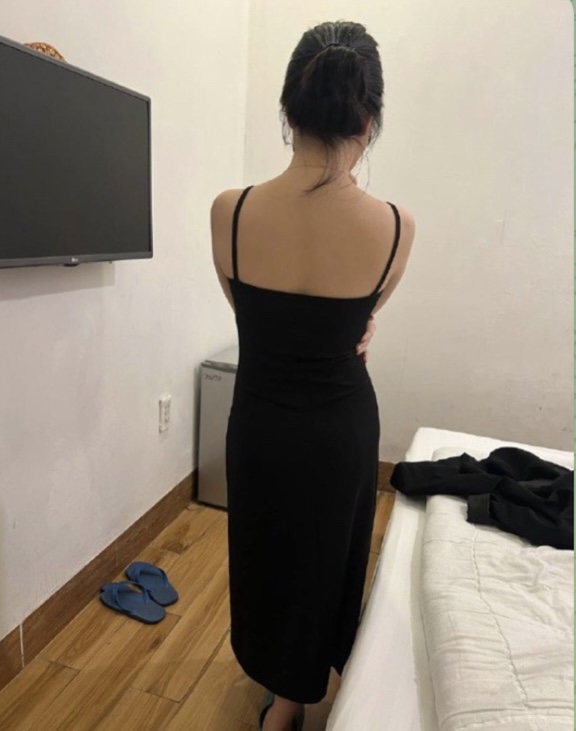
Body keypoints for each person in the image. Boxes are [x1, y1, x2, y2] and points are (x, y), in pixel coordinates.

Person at [211, 20, 415, 731]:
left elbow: (250, 314)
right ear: (368, 119)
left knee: (267, 556)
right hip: (340, 428)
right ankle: (306, 696)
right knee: (326, 558)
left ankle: (283, 698)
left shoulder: (230, 211)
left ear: (287, 110)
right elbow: (363, 315)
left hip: (260, 422)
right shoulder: (397, 226)